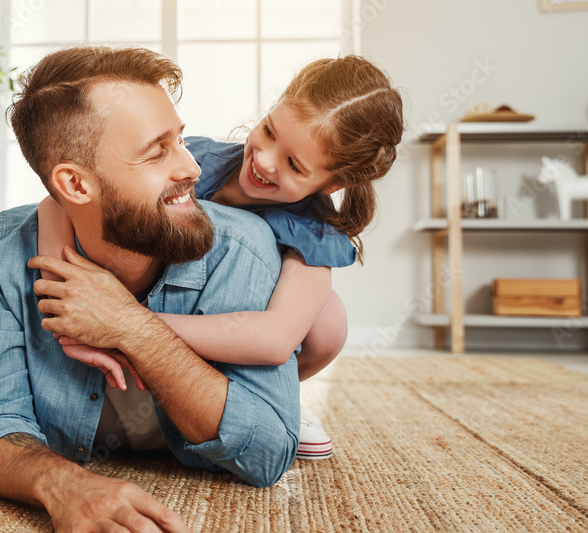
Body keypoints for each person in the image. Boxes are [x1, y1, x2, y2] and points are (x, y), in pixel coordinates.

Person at [0, 45, 301, 532]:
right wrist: (62, 485)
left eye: (180, 140)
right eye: (158, 151)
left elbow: (268, 454)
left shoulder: (243, 246)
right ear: (74, 185)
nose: (192, 168)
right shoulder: (3, 248)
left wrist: (130, 326)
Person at [32, 55, 404, 459]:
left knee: (328, 321)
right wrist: (62, 302)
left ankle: (271, 403)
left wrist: (126, 323)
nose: (264, 160)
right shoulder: (196, 161)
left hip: (219, 334)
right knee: (45, 239)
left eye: (294, 165)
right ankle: (25, 393)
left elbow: (277, 339)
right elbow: (58, 202)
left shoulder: (315, 231)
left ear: (331, 183)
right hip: (150, 294)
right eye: (269, 131)